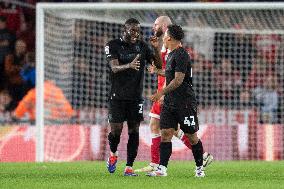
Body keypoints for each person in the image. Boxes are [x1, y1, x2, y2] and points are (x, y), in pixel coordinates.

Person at [136, 16, 213, 173]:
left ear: (165, 27)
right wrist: (156, 54)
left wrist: (163, 92)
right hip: (167, 92)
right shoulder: (166, 47)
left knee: (163, 127)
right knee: (164, 128)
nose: (153, 27)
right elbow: (162, 66)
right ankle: (159, 164)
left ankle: (157, 163)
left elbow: (175, 76)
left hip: (173, 94)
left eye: (156, 24)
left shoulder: (177, 51)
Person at [105, 18, 162, 176]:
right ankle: (113, 154)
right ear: (124, 30)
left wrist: (156, 48)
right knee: (116, 131)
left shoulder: (142, 46)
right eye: (132, 30)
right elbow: (114, 67)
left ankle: (129, 167)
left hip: (135, 97)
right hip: (117, 96)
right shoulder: (113, 45)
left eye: (138, 30)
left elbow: (158, 65)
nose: (135, 33)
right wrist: (129, 65)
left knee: (134, 130)